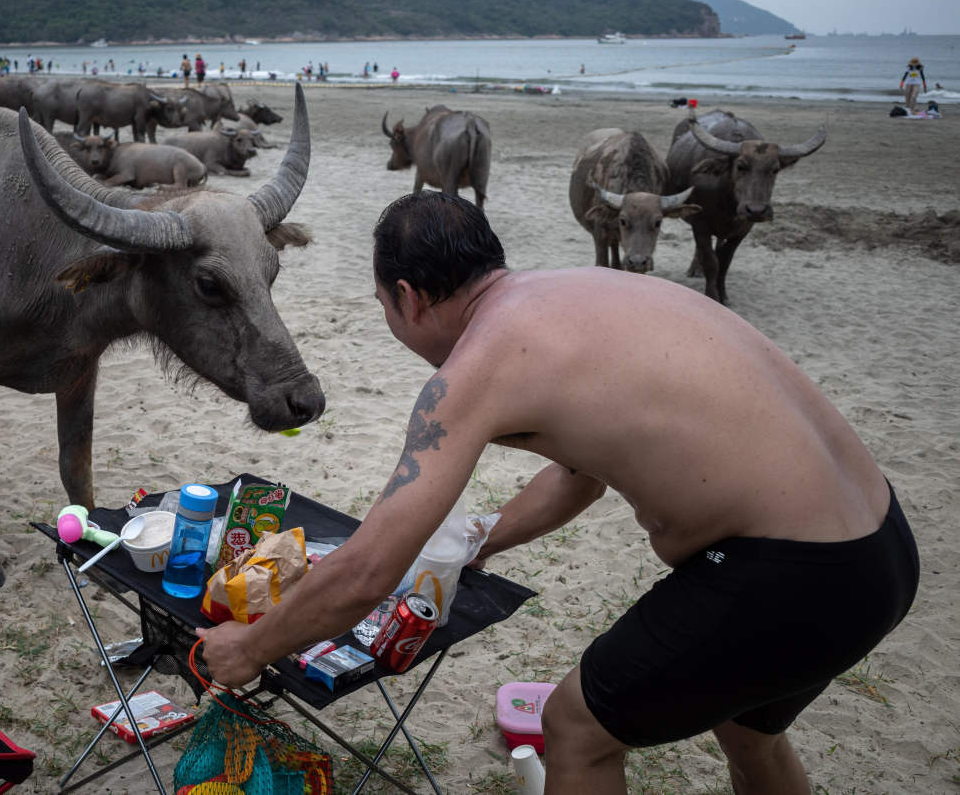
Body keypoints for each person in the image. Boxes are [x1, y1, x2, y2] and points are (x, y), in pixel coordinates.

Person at [198, 190, 919, 794]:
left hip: (791, 574)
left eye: (386, 304)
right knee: (749, 728)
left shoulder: (475, 366)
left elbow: (367, 572)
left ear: (409, 298)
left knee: (576, 728)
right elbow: (581, 478)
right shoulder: (576, 295)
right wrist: (482, 540)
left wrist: (251, 648)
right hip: (881, 550)